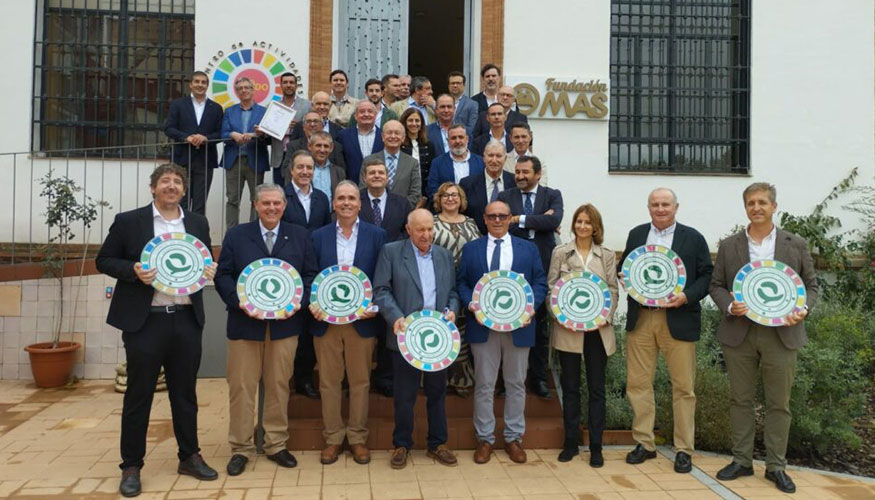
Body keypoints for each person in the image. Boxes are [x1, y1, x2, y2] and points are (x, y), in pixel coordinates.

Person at [95, 164, 218, 497]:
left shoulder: (196, 222)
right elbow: (104, 260)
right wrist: (133, 270)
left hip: (186, 317)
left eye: (178, 181)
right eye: (165, 181)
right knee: (139, 395)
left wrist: (208, 270)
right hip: (145, 320)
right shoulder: (129, 221)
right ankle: (131, 466)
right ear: (153, 188)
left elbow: (203, 262)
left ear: (183, 189)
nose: (172, 185)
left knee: (185, 394)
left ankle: (189, 456)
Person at [709, 183, 817, 494]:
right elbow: (716, 285)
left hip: (781, 334)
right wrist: (729, 304)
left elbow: (811, 286)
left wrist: (804, 309)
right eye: (751, 203)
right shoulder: (729, 245)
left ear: (774, 206)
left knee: (778, 404)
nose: (757, 207)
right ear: (745, 207)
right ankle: (742, 460)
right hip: (740, 332)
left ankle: (776, 467)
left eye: (762, 203)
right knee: (740, 400)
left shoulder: (794, 243)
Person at [214, 183, 319, 476]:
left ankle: (275, 444)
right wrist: (238, 302)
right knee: (242, 388)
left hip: (285, 327)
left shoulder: (299, 236)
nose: (272, 208)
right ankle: (241, 447)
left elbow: (310, 275)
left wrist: (300, 300)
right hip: (245, 325)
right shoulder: (237, 235)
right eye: (266, 204)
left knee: (278, 385)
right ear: (256, 206)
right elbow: (223, 275)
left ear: (284, 206)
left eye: (277, 203)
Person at [618, 187, 713, 473]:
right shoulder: (636, 234)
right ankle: (644, 443)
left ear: (676, 207)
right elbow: (626, 266)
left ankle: (684, 449)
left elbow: (707, 274)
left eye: (665, 204)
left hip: (678, 317)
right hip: (642, 318)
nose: (660, 209)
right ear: (649, 208)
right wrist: (625, 277)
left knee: (683, 387)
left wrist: (687, 295)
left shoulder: (693, 237)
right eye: (655, 204)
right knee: (637, 384)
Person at [457, 201, 548, 464]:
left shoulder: (528, 249)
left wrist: (531, 307)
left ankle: (513, 437)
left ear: (510, 219)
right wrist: (470, 303)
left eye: (502, 216)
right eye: (492, 216)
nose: (497, 220)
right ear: (484, 219)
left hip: (519, 326)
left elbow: (540, 282)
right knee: (484, 384)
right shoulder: (471, 249)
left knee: (516, 384)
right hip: (483, 326)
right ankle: (485, 439)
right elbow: (462, 282)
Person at [373, 209, 461, 469]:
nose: (426, 235)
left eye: (430, 229)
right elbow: (381, 290)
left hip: (438, 339)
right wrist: (396, 317)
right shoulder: (391, 252)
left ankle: (438, 443)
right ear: (409, 230)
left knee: (437, 392)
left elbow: (453, 292)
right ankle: (401, 444)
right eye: (420, 230)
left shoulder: (444, 256)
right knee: (405, 395)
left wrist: (453, 309)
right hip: (406, 337)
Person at [309, 181, 387, 465]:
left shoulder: (377, 235)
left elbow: (382, 277)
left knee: (360, 382)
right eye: (341, 198)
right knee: (329, 383)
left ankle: (357, 438)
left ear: (360, 203)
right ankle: (332, 438)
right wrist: (313, 303)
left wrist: (376, 307)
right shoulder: (317, 237)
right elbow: (309, 275)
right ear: (333, 203)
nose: (346, 203)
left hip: (361, 322)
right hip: (326, 323)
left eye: (351, 198)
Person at [547, 203, 618, 467]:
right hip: (568, 331)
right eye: (579, 221)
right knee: (570, 387)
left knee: (597, 389)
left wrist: (605, 317)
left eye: (588, 222)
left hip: (598, 333)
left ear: (596, 226)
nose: (583, 226)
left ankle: (596, 446)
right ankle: (570, 443)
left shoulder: (607, 255)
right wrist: (559, 315)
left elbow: (612, 289)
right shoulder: (561, 253)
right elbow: (551, 287)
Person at [498, 155, 563, 398]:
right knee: (507, 323)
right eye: (518, 172)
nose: (521, 176)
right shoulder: (506, 197)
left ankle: (537, 378)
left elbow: (555, 220)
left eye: (526, 172)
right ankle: (506, 381)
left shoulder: (552, 194)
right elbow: (503, 225)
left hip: (543, 267)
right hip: (513, 265)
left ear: (537, 174)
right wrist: (539, 220)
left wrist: (519, 218)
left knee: (539, 325)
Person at [281, 151, 331, 399]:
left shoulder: (322, 198)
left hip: (316, 267)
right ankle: (285, 377)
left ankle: (304, 378)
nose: (305, 172)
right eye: (300, 167)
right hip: (288, 266)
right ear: (292, 170)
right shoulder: (281, 197)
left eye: (309, 168)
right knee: (293, 325)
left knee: (312, 325)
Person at [432, 182, 480, 397]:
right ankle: (437, 378)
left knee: (462, 330)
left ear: (461, 199)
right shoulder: (431, 223)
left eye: (455, 195)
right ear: (439, 200)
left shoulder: (471, 223)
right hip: (438, 283)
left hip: (466, 283)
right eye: (445, 195)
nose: (450, 199)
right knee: (441, 329)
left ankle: (462, 378)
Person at [164, 71, 224, 215]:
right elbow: (169, 128)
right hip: (181, 159)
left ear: (207, 85)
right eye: (197, 81)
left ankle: (196, 236)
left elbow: (220, 133)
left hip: (205, 160)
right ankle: (179, 235)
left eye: (203, 82)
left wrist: (205, 138)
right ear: (190, 85)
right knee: (180, 201)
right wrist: (186, 138)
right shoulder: (178, 104)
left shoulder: (215, 108)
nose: (200, 85)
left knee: (200, 204)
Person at [220, 77, 269, 230]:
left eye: (246, 87)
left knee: (257, 200)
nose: (243, 90)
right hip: (234, 160)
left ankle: (254, 232)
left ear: (253, 90)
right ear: (237, 92)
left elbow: (269, 137)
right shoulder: (229, 111)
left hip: (255, 159)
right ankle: (231, 234)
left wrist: (259, 134)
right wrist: (232, 135)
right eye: (240, 88)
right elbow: (223, 133)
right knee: (232, 200)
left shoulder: (263, 111)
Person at [360, 120, 421, 209]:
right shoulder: (368, 160)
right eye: (389, 133)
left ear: (403, 138)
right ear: (382, 137)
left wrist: (399, 209)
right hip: (374, 211)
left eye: (397, 133)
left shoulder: (412, 163)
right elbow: (363, 188)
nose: (393, 136)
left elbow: (415, 193)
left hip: (402, 214)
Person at [264, 71, 311, 185]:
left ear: (296, 85)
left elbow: (313, 128)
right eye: (285, 82)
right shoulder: (272, 106)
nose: (288, 85)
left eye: (291, 82)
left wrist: (300, 125)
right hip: (279, 155)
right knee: (280, 190)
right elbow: (266, 134)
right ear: (281, 85)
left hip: (300, 153)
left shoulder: (307, 105)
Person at [460, 141, 515, 235]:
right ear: (484, 158)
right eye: (490, 155)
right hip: (477, 238)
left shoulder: (515, 182)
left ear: (505, 158)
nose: (494, 160)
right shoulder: (467, 184)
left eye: (498, 156)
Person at [281, 112, 346, 186]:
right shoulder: (293, 145)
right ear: (303, 127)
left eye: (316, 121)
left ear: (322, 126)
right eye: (308, 121)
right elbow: (285, 171)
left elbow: (341, 172)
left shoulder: (336, 146)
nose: (312, 124)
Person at [359, 157, 411, 242]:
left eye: (381, 173)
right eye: (372, 173)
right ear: (364, 178)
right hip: (363, 252)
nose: (376, 176)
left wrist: (392, 248)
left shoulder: (402, 203)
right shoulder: (356, 201)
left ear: (387, 178)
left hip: (393, 253)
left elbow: (407, 231)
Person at [427, 124, 485, 200]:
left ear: (467, 139)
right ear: (448, 141)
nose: (457, 141)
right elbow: (432, 190)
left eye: (461, 137)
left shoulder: (481, 162)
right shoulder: (437, 163)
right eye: (453, 138)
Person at [338, 100, 384, 184]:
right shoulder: (343, 136)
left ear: (376, 114)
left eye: (370, 111)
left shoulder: (383, 136)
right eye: (362, 112)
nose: (366, 114)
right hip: (351, 186)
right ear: (355, 116)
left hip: (377, 185)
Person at [400, 108, 436, 203]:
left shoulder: (429, 145)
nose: (414, 124)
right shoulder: (399, 145)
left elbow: (432, 171)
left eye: (417, 120)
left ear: (422, 124)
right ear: (404, 123)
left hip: (425, 193)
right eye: (410, 120)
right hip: (403, 193)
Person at [448, 71, 479, 135]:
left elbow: (472, 128)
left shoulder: (472, 104)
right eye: (452, 83)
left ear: (464, 85)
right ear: (449, 86)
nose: (455, 85)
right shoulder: (442, 103)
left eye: (458, 83)